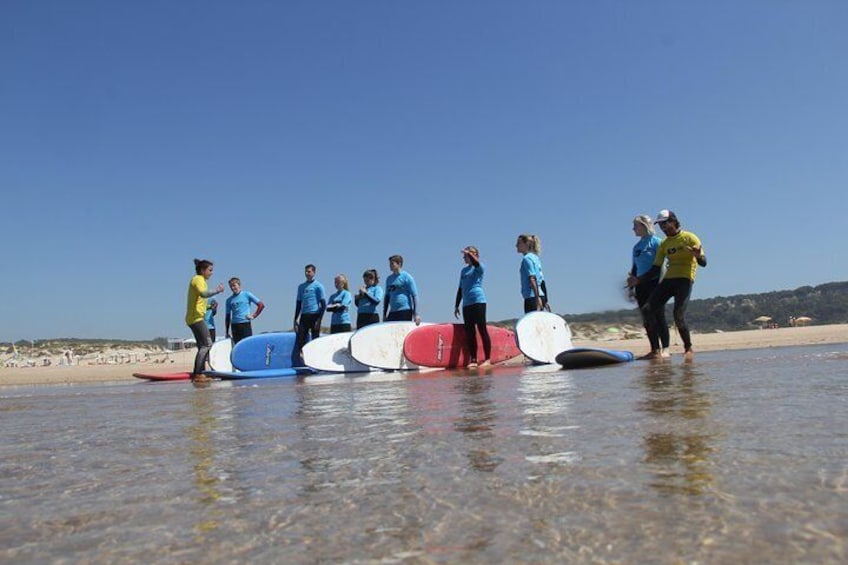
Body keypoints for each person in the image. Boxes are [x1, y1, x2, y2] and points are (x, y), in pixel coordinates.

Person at [636, 210, 707, 361]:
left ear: (674, 221)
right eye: (660, 224)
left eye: (665, 223)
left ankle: (688, 348)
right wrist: (638, 279)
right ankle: (655, 350)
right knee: (647, 310)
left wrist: (698, 255)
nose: (663, 227)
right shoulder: (665, 244)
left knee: (678, 315)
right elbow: (655, 269)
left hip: (685, 279)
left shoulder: (689, 237)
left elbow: (704, 263)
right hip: (669, 279)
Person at [626, 215, 670, 359]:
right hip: (640, 285)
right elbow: (634, 267)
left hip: (656, 284)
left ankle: (666, 349)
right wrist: (630, 287)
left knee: (658, 316)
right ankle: (654, 350)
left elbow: (661, 266)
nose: (633, 229)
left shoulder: (658, 243)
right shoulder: (636, 247)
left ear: (644, 226)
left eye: (635, 226)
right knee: (647, 318)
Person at [185, 259, 224, 383]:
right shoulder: (198, 279)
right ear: (202, 270)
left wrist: (209, 307)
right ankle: (198, 374)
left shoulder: (201, 281)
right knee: (207, 344)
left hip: (195, 317)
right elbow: (203, 294)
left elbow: (198, 302)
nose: (211, 273)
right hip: (195, 319)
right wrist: (218, 290)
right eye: (210, 270)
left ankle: (200, 372)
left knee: (202, 346)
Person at [454, 246, 491, 366]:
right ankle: (474, 359)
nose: (464, 257)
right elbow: (460, 288)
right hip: (466, 304)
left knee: (482, 329)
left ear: (475, 255)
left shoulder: (479, 268)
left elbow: (476, 263)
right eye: (464, 255)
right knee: (470, 332)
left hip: (478, 301)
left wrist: (469, 253)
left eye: (467, 255)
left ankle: (487, 359)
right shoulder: (463, 271)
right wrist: (456, 305)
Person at [293, 264, 326, 364]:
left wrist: (319, 320)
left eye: (309, 271)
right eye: (306, 271)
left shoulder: (318, 286)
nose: (307, 273)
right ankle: (304, 360)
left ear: (314, 273)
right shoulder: (301, 287)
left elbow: (323, 305)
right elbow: (298, 304)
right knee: (301, 338)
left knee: (315, 339)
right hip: (304, 315)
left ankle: (317, 361)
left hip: (315, 315)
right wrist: (295, 319)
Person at [225, 277, 264, 344]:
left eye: (234, 285)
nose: (232, 288)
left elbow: (261, 305)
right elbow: (227, 316)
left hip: (245, 324)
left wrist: (254, 315)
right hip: (234, 326)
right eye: (231, 286)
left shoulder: (247, 294)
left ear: (239, 285)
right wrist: (227, 331)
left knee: (248, 345)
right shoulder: (229, 300)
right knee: (237, 346)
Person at [516, 234, 549, 313]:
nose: (516, 245)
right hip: (541, 296)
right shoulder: (536, 258)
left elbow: (532, 278)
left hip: (532, 298)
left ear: (526, 244)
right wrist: (546, 301)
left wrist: (537, 299)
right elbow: (542, 281)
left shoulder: (526, 259)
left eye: (519, 243)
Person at [383, 255, 421, 324]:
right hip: (392, 311)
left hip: (405, 310)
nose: (390, 266)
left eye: (392, 264)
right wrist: (384, 314)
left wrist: (416, 314)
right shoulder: (389, 279)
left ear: (399, 264)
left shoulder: (407, 277)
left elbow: (414, 296)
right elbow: (387, 297)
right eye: (390, 264)